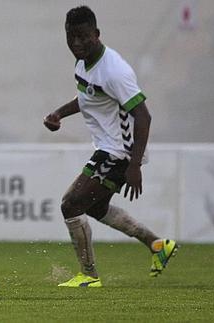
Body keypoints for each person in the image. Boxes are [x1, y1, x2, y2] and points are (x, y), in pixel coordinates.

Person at [43, 6, 178, 287]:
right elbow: (89, 96)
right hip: (108, 149)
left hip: (119, 153)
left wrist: (134, 164)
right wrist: (59, 114)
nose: (77, 44)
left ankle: (89, 276)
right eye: (71, 37)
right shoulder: (83, 63)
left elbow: (143, 115)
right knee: (94, 208)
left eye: (83, 37)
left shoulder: (115, 71)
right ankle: (157, 245)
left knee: (71, 204)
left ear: (97, 34)